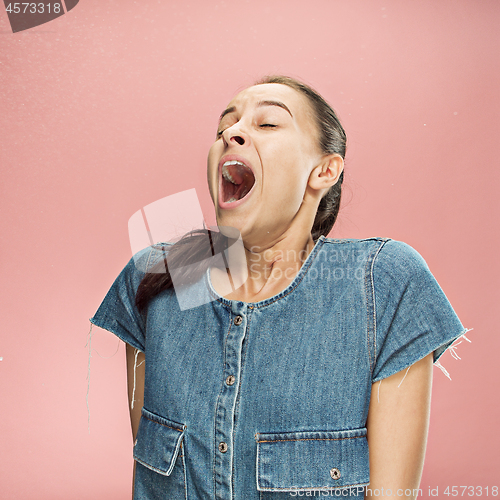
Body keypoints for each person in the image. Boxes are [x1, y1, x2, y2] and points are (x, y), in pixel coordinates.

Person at [90, 76, 468, 499]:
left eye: (268, 124)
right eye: (222, 130)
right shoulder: (159, 276)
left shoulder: (383, 284)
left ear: (324, 170)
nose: (231, 134)